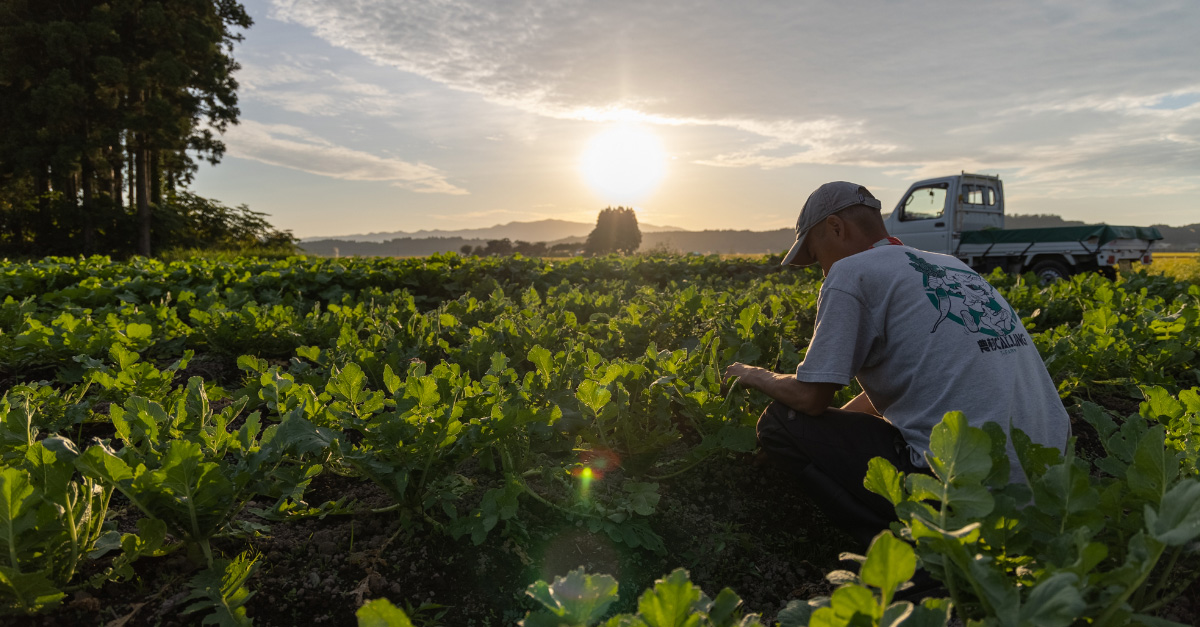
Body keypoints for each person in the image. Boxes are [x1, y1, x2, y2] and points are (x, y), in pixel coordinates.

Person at [724, 181, 1069, 550]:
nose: (822, 271)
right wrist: (828, 436)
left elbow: (809, 399)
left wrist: (752, 374)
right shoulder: (950, 266)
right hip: (1047, 488)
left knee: (781, 423)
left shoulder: (852, 273)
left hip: (964, 487)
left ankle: (901, 551)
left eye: (816, 254)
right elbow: (909, 382)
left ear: (836, 228)